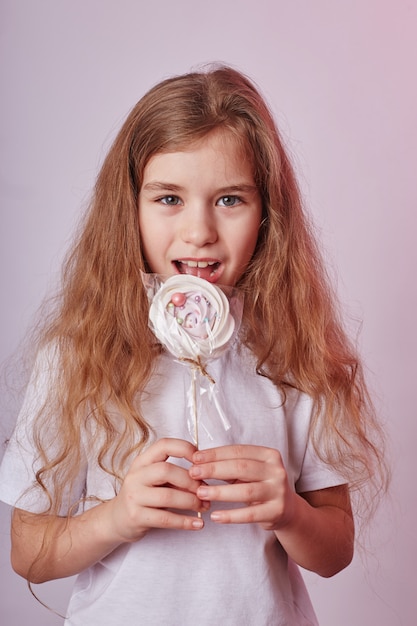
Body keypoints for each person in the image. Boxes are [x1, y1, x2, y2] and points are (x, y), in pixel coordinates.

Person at [0, 65, 387, 625]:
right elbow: (28, 554)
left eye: (230, 199)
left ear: (268, 214)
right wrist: (119, 516)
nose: (200, 229)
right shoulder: (76, 357)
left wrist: (290, 513)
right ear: (128, 210)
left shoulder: (295, 354)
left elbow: (335, 551)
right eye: (168, 199)